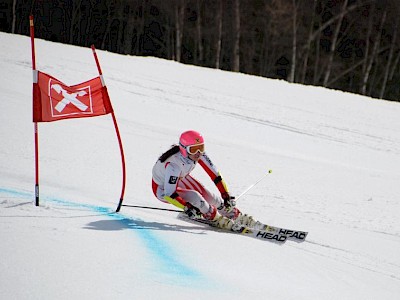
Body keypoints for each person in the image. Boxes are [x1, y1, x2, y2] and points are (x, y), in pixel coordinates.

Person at [152, 130, 253, 229]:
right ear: (184, 149)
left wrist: (225, 194)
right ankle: (214, 217)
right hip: (162, 189)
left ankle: (231, 213)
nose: (198, 153)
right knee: (195, 196)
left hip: (180, 178)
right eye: (193, 149)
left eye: (200, 147)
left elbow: (215, 175)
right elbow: (169, 194)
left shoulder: (199, 154)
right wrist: (186, 207)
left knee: (207, 195)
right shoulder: (174, 166)